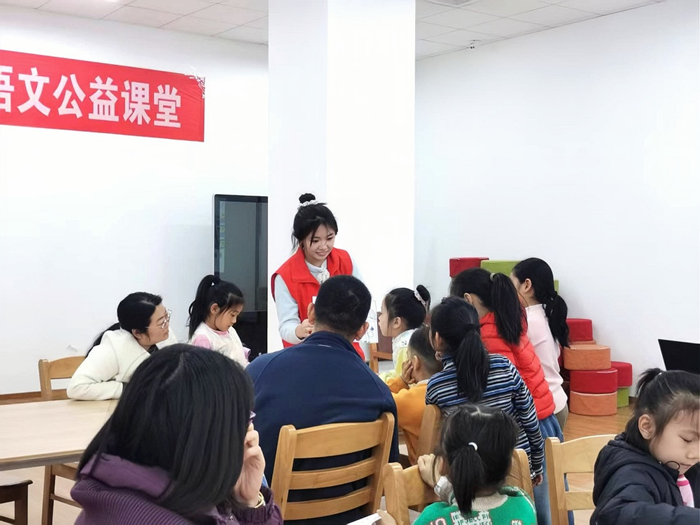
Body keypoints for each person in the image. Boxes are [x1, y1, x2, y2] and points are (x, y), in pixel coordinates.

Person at [71, 345, 282, 524]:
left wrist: (249, 502)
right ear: (206, 433)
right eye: (243, 419)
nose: (246, 431)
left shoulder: (118, 490)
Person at [248, 275, 399, 525]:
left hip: (271, 518)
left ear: (311, 312)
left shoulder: (259, 371)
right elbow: (386, 477)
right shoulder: (379, 392)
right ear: (362, 330)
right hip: (349, 519)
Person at [451, 269, 563, 525]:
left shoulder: (487, 336)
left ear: (468, 300)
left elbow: (502, 395)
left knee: (539, 507)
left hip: (529, 426)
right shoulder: (507, 319)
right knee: (555, 501)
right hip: (545, 418)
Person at [425, 297, 544, 486]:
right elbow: (530, 421)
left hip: (467, 478)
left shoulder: (437, 386)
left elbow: (441, 438)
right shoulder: (504, 367)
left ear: (438, 339)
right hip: (514, 469)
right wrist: (535, 465)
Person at [377, 404, 537, 525]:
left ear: (443, 464)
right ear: (509, 466)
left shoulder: (434, 519)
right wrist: (442, 486)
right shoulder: (523, 505)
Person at [591, 368, 700, 525]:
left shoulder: (680, 463)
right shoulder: (630, 473)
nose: (696, 454)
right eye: (687, 440)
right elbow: (617, 514)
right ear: (647, 427)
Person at [271, 193, 364, 358]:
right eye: (315, 241)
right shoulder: (285, 276)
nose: (324, 246)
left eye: (329, 238)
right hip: (305, 355)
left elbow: (362, 299)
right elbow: (286, 326)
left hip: (346, 351)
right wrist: (300, 330)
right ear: (301, 240)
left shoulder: (345, 260)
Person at [67, 292, 178, 400]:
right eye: (161, 322)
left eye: (166, 316)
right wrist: (131, 389)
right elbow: (76, 388)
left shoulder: (165, 335)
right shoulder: (112, 349)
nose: (167, 324)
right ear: (137, 333)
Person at [511, 257, 570, 430]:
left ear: (526, 285)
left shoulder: (527, 321)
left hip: (544, 407)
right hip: (558, 401)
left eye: (511, 286)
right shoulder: (547, 314)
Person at [386, 325, 443, 464]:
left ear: (415, 363)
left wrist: (400, 381)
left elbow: (378, 397)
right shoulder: (452, 388)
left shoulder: (408, 400)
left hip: (420, 472)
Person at [188, 274, 248, 368]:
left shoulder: (231, 331)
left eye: (237, 315)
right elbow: (202, 373)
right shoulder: (203, 339)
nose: (234, 320)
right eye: (232, 315)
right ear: (215, 309)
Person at [378, 285, 431, 382]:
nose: (379, 318)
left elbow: (402, 380)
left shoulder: (404, 347)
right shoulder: (415, 335)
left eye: (382, 313)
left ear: (396, 322)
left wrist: (383, 379)